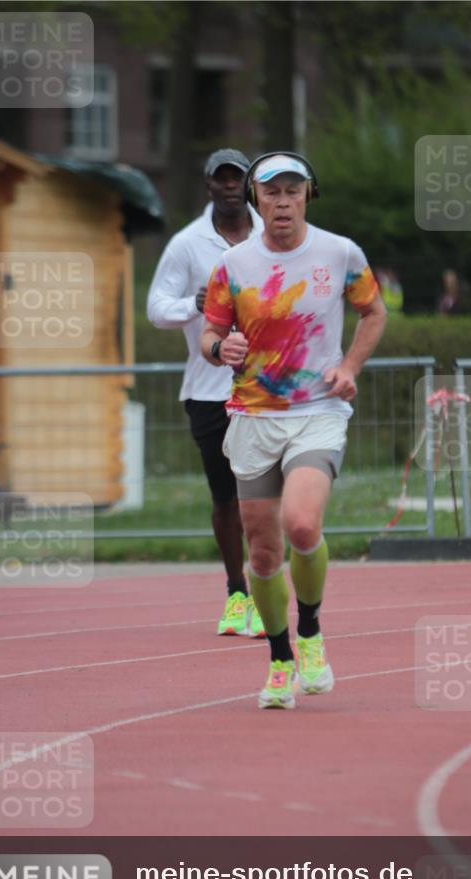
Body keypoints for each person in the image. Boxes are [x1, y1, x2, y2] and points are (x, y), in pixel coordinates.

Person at [201, 153, 387, 709]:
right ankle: (280, 659)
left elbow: (373, 312)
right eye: (272, 192)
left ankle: (309, 631)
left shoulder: (340, 253)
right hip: (254, 418)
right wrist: (221, 348)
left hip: (316, 411)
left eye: (293, 190)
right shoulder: (233, 264)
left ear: (308, 195)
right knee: (262, 556)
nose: (283, 202)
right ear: (255, 199)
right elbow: (210, 335)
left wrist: (349, 367)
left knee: (302, 525)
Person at [147, 149, 265, 638]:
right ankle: (237, 591)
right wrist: (192, 306)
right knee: (226, 496)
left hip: (268, 386)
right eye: (222, 178)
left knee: (264, 495)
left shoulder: (274, 234)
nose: (230, 185)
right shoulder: (187, 244)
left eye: (238, 178)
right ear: (209, 184)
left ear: (249, 185)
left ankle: (266, 589)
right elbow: (156, 307)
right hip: (209, 390)